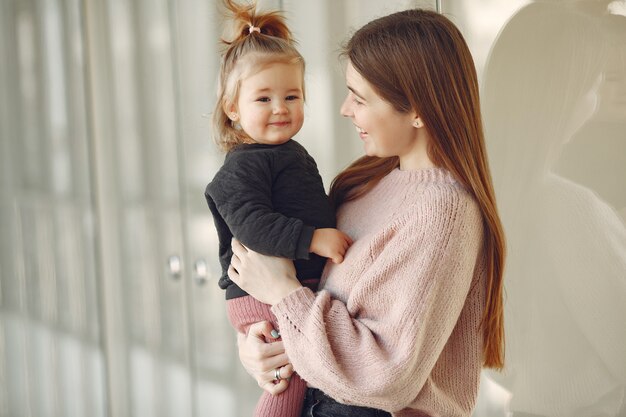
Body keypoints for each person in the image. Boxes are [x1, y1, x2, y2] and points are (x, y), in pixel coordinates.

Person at [228, 8, 506, 417]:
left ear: (417, 110)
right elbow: (310, 303)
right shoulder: (363, 184)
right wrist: (257, 347)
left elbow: (384, 377)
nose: (345, 109)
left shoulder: (443, 215)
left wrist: (283, 294)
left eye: (360, 98)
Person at [205, 1, 352, 417]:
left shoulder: (286, 152)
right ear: (234, 109)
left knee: (294, 374)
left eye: (292, 95)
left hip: (283, 286)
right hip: (258, 292)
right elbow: (251, 225)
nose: (280, 108)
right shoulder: (244, 165)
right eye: (263, 98)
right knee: (289, 379)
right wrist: (312, 238)